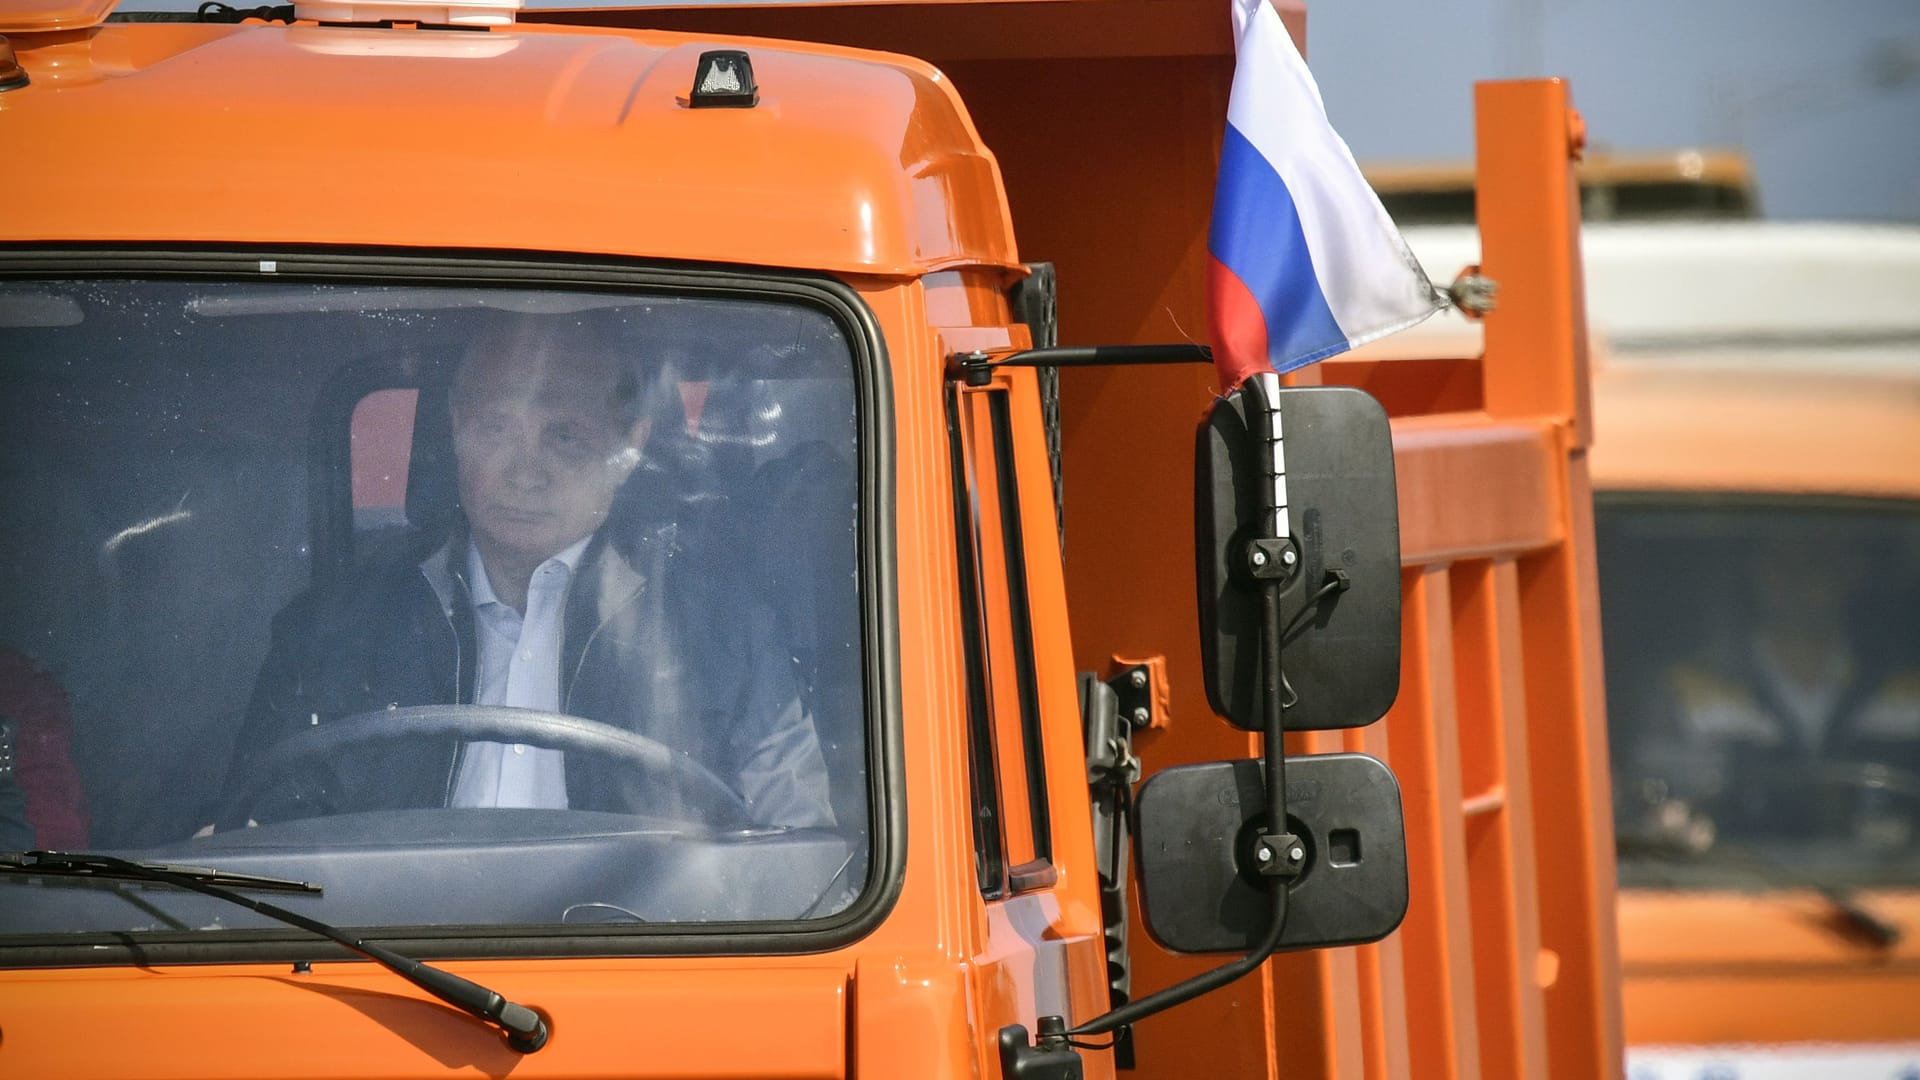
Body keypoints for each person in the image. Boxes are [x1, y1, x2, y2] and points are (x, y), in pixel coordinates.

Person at [215, 315, 835, 831]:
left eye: (564, 437)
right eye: (498, 429)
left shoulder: (727, 636)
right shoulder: (329, 630)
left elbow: (796, 854)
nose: (525, 472)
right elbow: (264, 848)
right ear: (456, 427)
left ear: (630, 446)